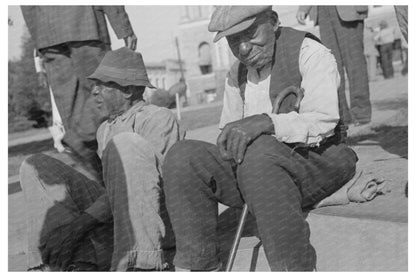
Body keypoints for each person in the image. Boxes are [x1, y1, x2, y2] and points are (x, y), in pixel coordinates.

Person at [162, 6, 357, 271]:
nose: (243, 49)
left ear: (274, 22)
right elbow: (231, 130)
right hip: (261, 173)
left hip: (320, 160)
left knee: (261, 152)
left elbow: (323, 121)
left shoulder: (309, 53)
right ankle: (200, 266)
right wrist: (230, 142)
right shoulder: (237, 73)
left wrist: (266, 122)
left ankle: (294, 268)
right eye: (233, 40)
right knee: (182, 156)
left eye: (251, 33)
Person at [19, 48, 182, 271]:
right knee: (36, 165)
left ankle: (142, 263)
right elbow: (111, 193)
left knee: (126, 143)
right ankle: (60, 261)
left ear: (126, 90)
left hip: (153, 227)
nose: (94, 92)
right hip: (117, 224)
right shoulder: (105, 128)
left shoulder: (158, 118)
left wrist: (78, 226)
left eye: (103, 85)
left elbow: (145, 188)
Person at [21, 6, 138, 168]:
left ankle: (98, 172)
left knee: (70, 105)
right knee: (106, 93)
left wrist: (39, 39)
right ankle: (82, 140)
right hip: (85, 24)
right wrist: (123, 25)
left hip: (47, 33)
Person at [296, 5, 371, 126]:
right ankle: (342, 117)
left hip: (348, 11)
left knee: (355, 63)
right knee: (331, 65)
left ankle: (361, 114)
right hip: (323, 11)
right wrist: (304, 8)